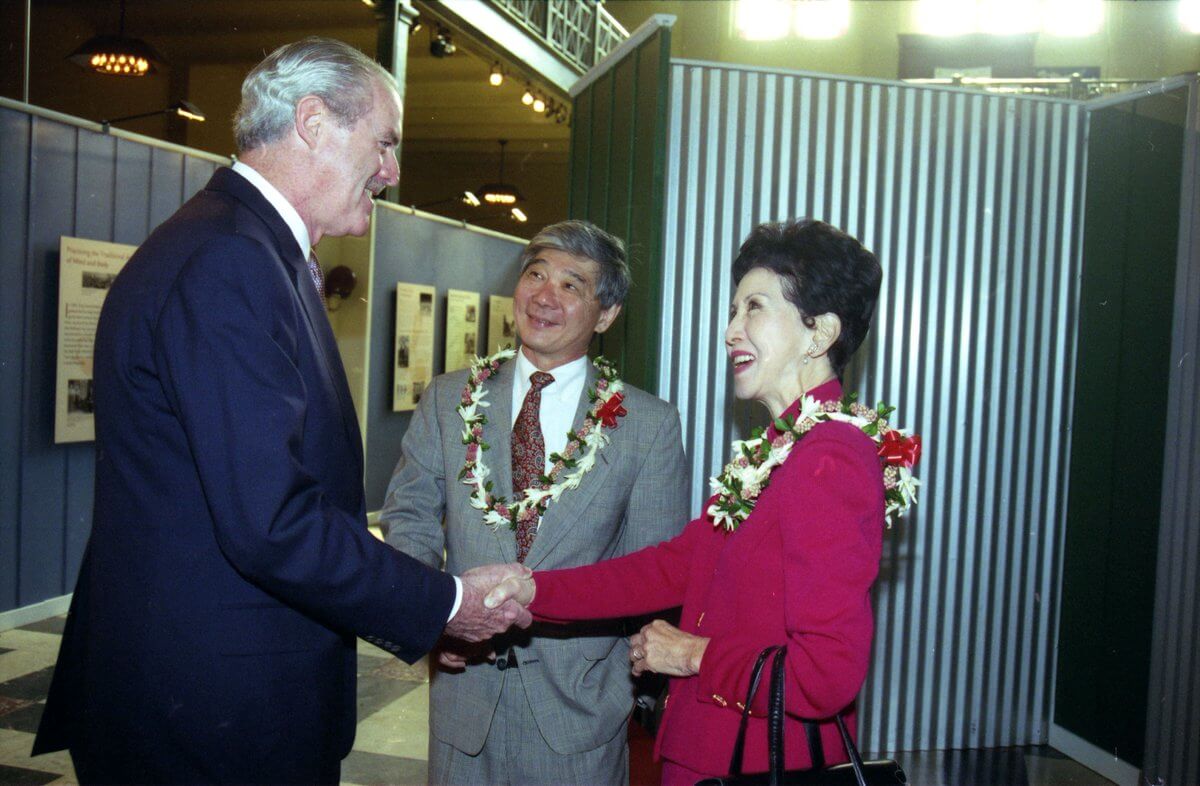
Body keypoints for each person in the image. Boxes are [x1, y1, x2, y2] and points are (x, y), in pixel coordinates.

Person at [32, 37, 531, 785]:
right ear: (313, 122)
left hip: (216, 694)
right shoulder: (230, 261)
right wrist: (444, 603)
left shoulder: (247, 250)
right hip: (206, 713)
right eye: (385, 144)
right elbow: (271, 521)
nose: (392, 173)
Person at [489, 219, 915, 785]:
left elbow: (825, 675)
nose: (731, 330)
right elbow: (673, 567)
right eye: (734, 310)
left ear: (819, 334)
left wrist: (690, 656)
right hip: (716, 758)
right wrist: (532, 589)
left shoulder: (828, 460)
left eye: (754, 308)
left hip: (754, 768)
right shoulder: (783, 449)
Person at [380, 220, 690, 785]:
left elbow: (655, 572)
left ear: (606, 314)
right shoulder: (449, 400)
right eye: (535, 274)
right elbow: (410, 519)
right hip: (463, 697)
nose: (545, 296)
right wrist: (430, 618)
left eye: (572, 285)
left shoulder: (648, 425)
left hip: (579, 712)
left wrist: (637, 686)